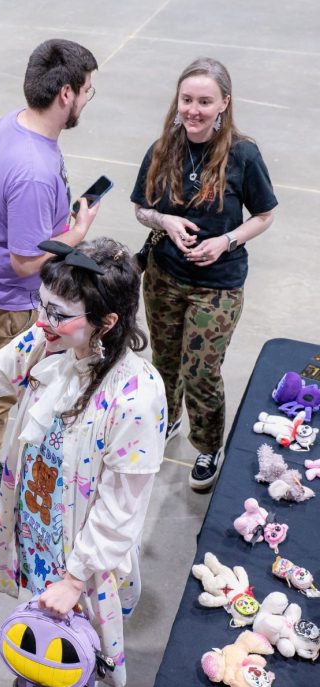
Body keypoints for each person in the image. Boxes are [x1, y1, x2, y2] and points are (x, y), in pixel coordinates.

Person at [0, 238, 167, 687]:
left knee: (80, 649)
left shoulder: (137, 395)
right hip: (38, 524)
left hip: (84, 555)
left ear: (107, 321)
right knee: (44, 628)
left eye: (59, 313)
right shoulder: (46, 341)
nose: (42, 321)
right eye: (42, 305)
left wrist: (74, 580)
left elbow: (120, 509)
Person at [131, 57, 277, 492]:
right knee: (164, 361)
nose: (193, 110)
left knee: (201, 372)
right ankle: (169, 418)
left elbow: (264, 215)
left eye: (205, 102)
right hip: (164, 276)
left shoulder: (243, 154)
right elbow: (140, 208)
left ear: (224, 104)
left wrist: (226, 241)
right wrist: (164, 220)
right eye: (187, 99)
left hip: (217, 285)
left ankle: (209, 445)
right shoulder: (163, 149)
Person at [0, 39, 101, 502]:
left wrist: (60, 223)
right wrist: (77, 234)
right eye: (86, 90)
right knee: (2, 380)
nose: (86, 99)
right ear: (65, 93)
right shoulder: (34, 172)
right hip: (9, 298)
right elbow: (24, 261)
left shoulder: (14, 123)